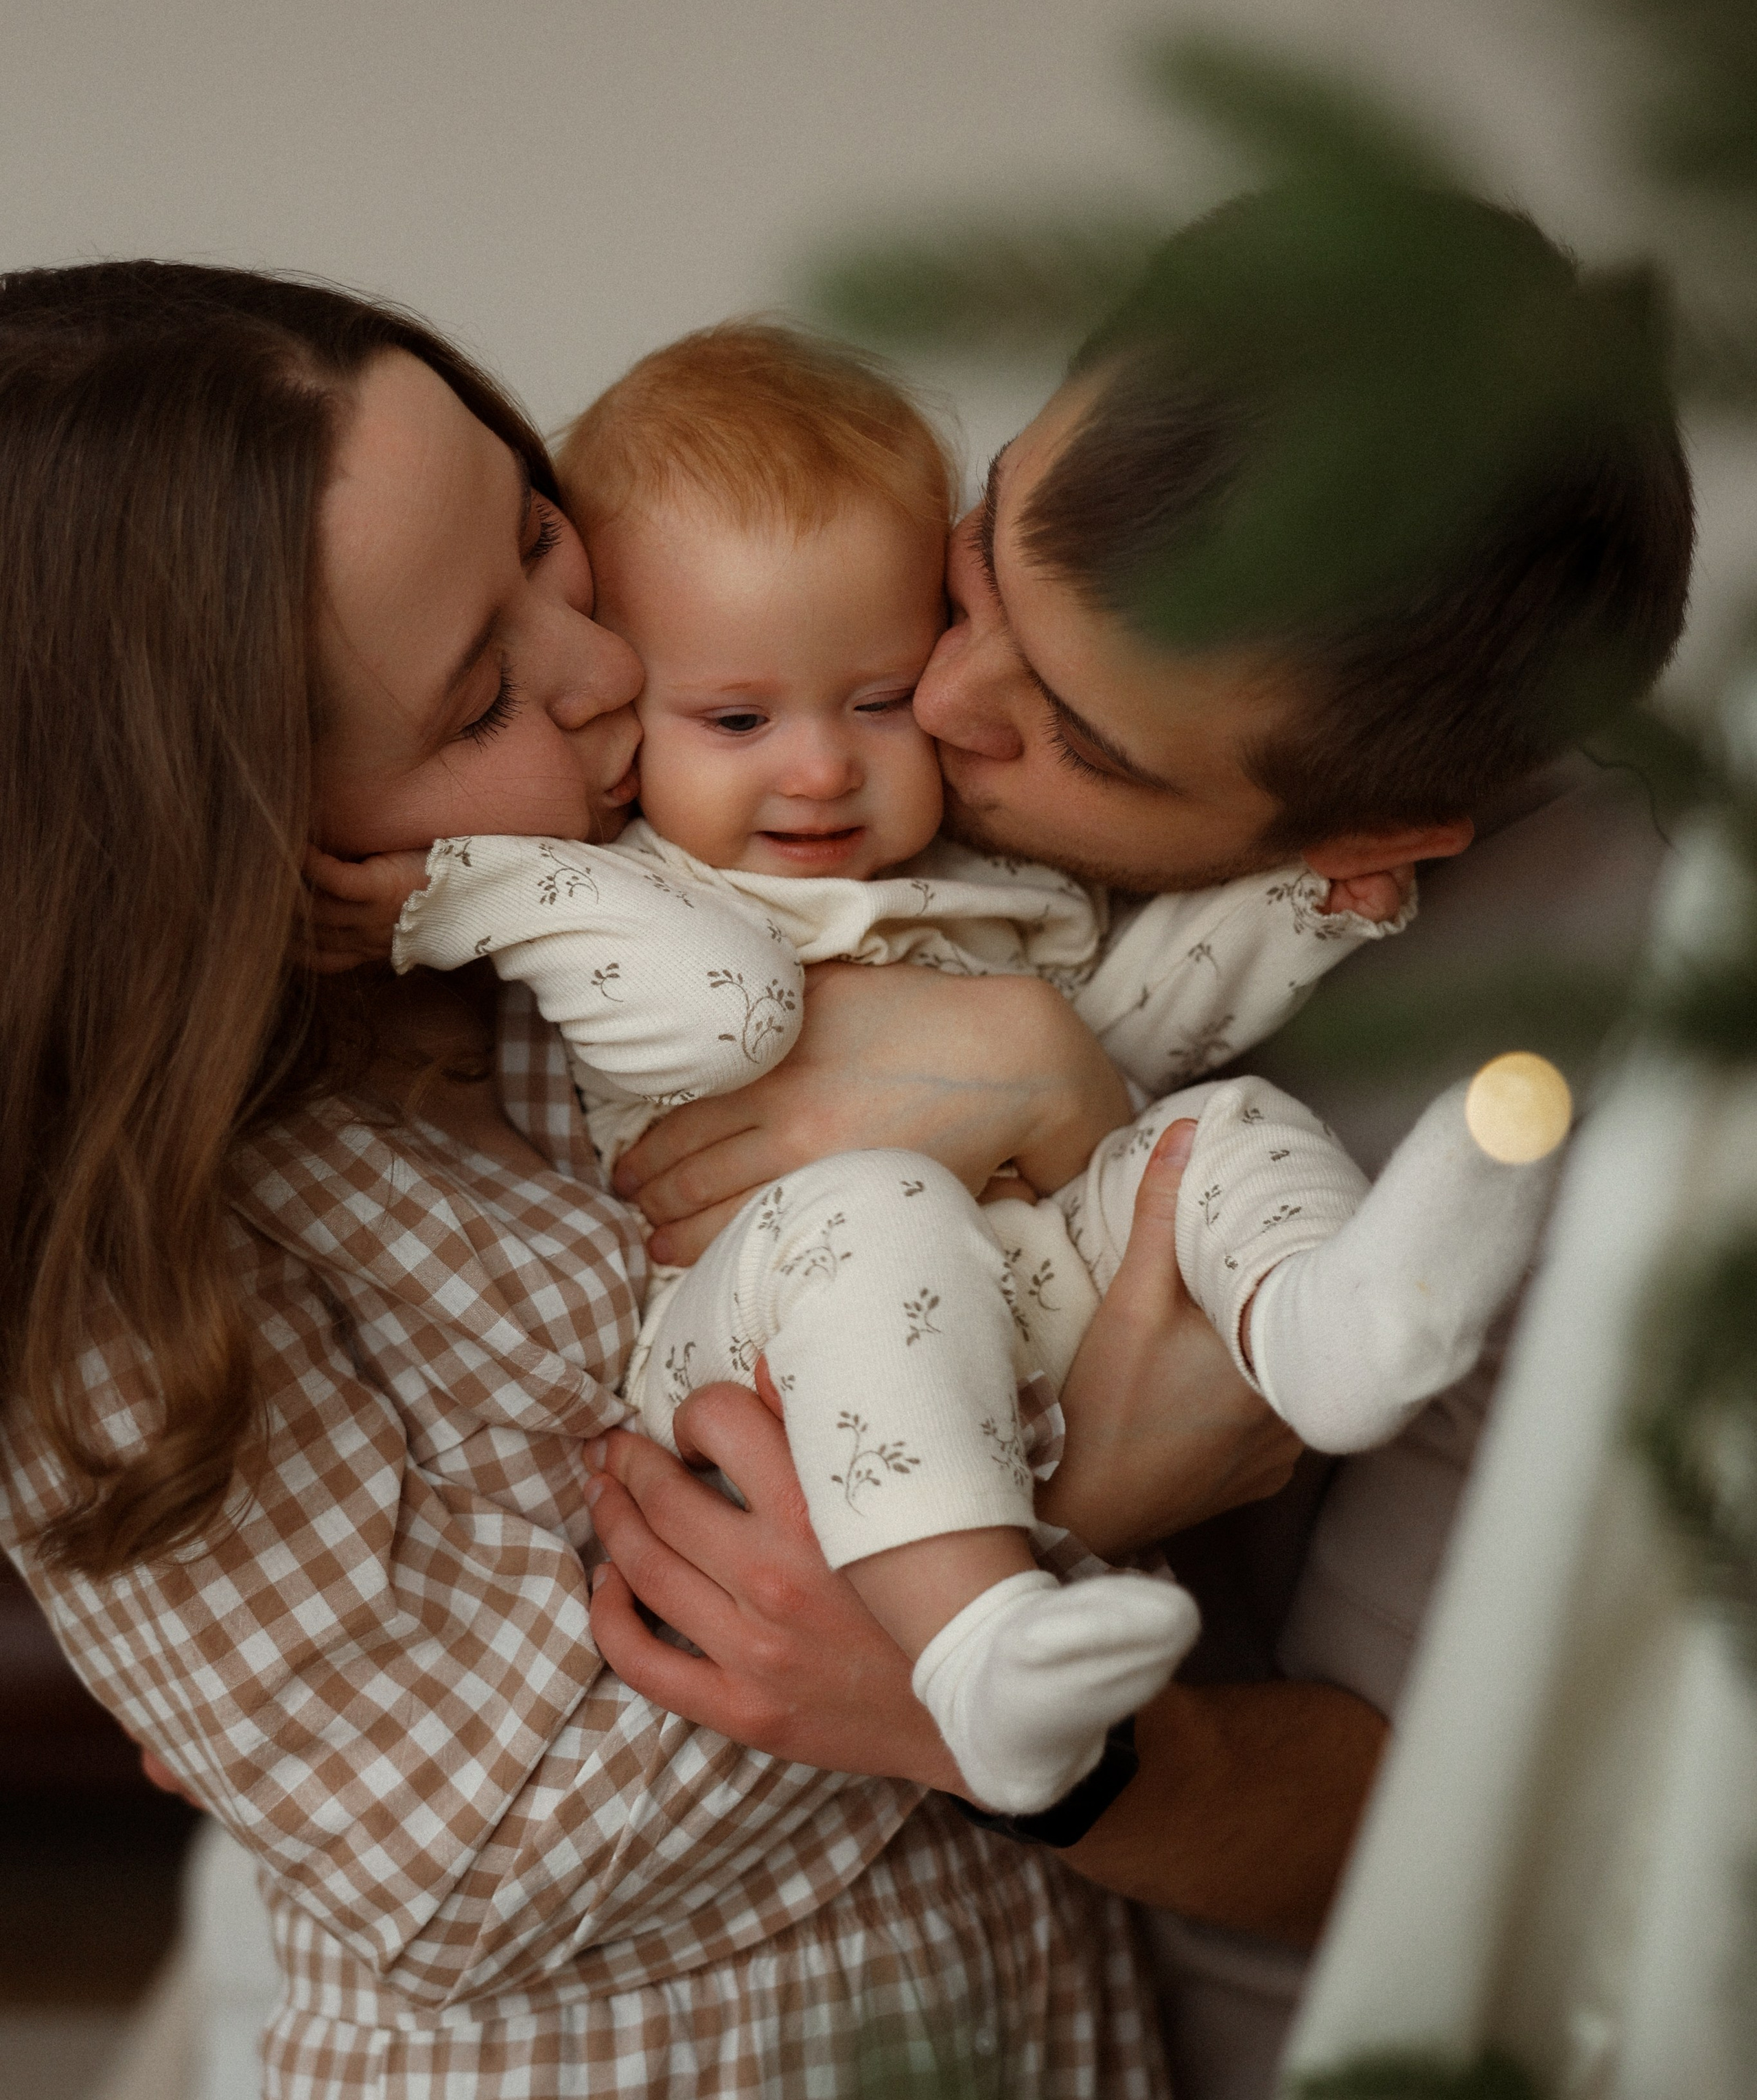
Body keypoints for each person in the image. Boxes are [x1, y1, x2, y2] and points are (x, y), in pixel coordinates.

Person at [0, 260, 1211, 2098]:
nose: (610, 665)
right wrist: (1074, 1498)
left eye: (541, 535)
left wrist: (1048, 1068)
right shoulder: (131, 1289)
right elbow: (470, 1873)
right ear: (245, 849)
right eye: (486, 686)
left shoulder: (624, 926)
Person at [557, 189, 1693, 2027]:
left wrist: (957, 1690)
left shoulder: (1587, 1039)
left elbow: (1429, 1823)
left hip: (1109, 1969)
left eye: (1077, 740)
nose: (930, 694)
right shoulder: (786, 647)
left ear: (1368, 847)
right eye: (991, 547)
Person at [386, 320, 1563, 1820]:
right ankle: (973, 1646)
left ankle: (1326, 1319)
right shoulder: (640, 885)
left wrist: (1309, 901)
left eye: (873, 693)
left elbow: (1123, 1022)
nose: (827, 764)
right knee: (870, 1208)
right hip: (780, 1339)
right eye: (738, 719)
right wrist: (474, 881)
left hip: (1037, 1303)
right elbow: (707, 1015)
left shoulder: (979, 871)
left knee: (1219, 1129)